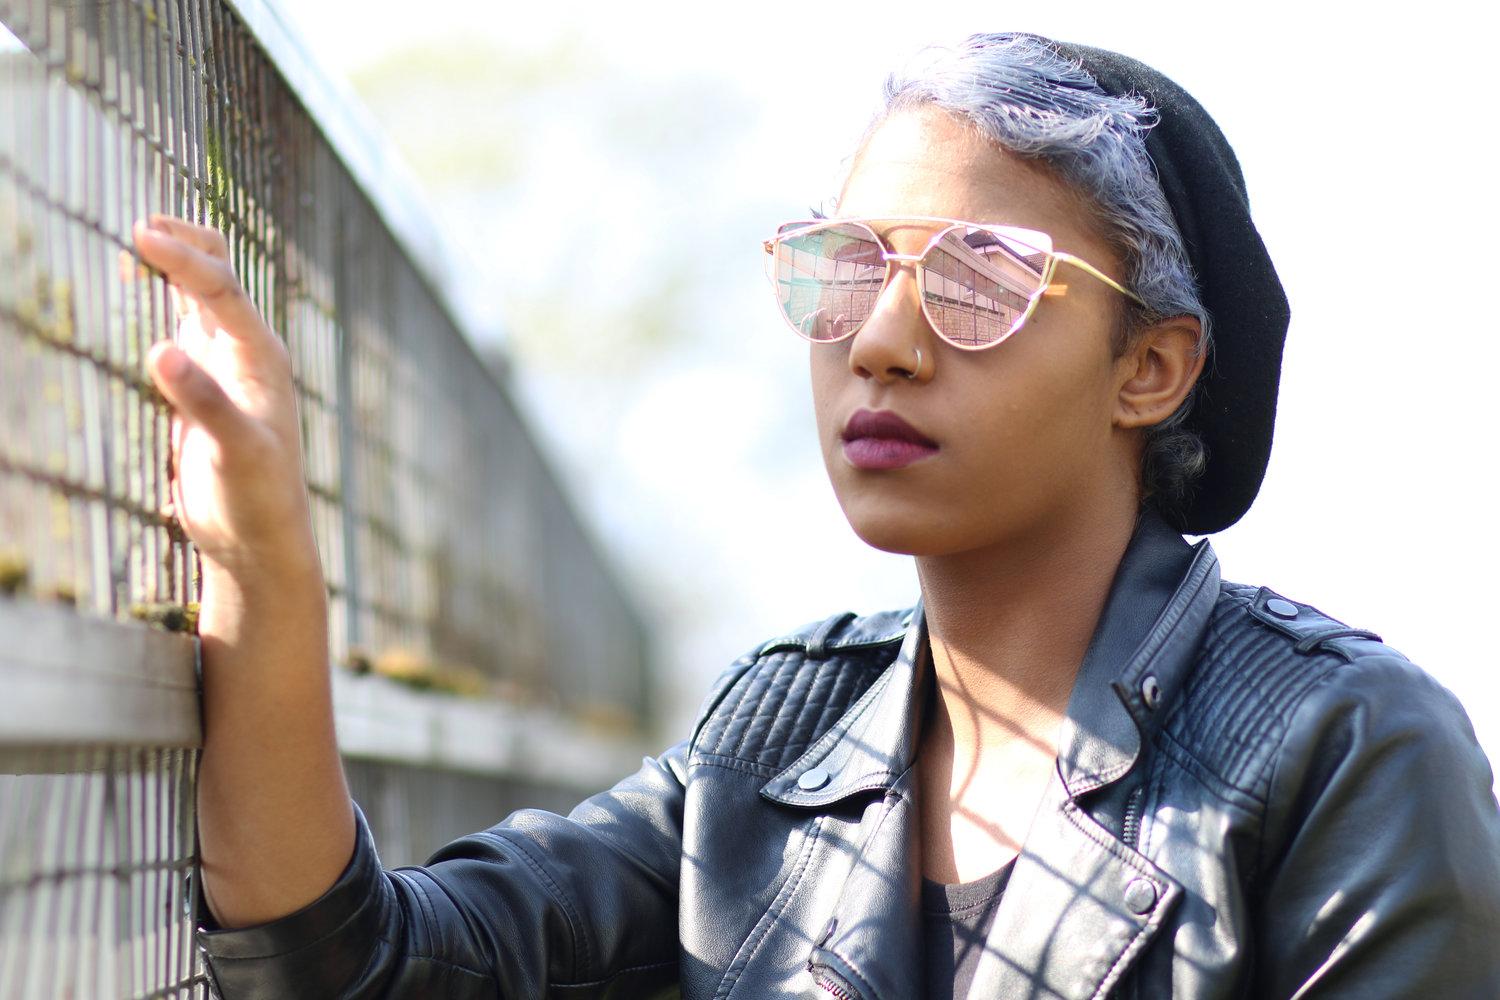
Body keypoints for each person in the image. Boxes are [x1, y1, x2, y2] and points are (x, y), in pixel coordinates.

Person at [134, 32, 1500, 1000]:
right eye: (845, 267)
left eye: (982, 277)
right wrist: (268, 565)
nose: (883, 341)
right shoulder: (771, 749)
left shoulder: (1343, 751)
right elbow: (356, 962)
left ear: (1152, 368)